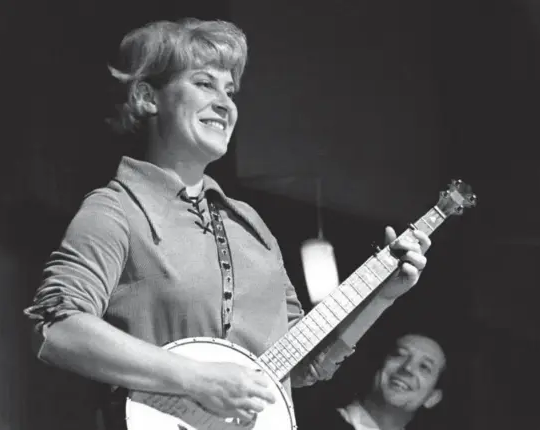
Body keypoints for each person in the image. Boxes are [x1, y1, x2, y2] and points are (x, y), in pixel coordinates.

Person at [23, 18, 432, 429]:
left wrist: (381, 296)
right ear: (149, 97)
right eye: (204, 83)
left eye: (230, 90)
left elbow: (306, 361)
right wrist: (196, 379)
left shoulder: (251, 227)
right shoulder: (115, 209)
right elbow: (59, 332)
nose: (225, 103)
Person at [315, 333, 447, 430]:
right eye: (400, 354)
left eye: (424, 366)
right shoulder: (315, 420)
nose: (407, 368)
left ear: (432, 397)